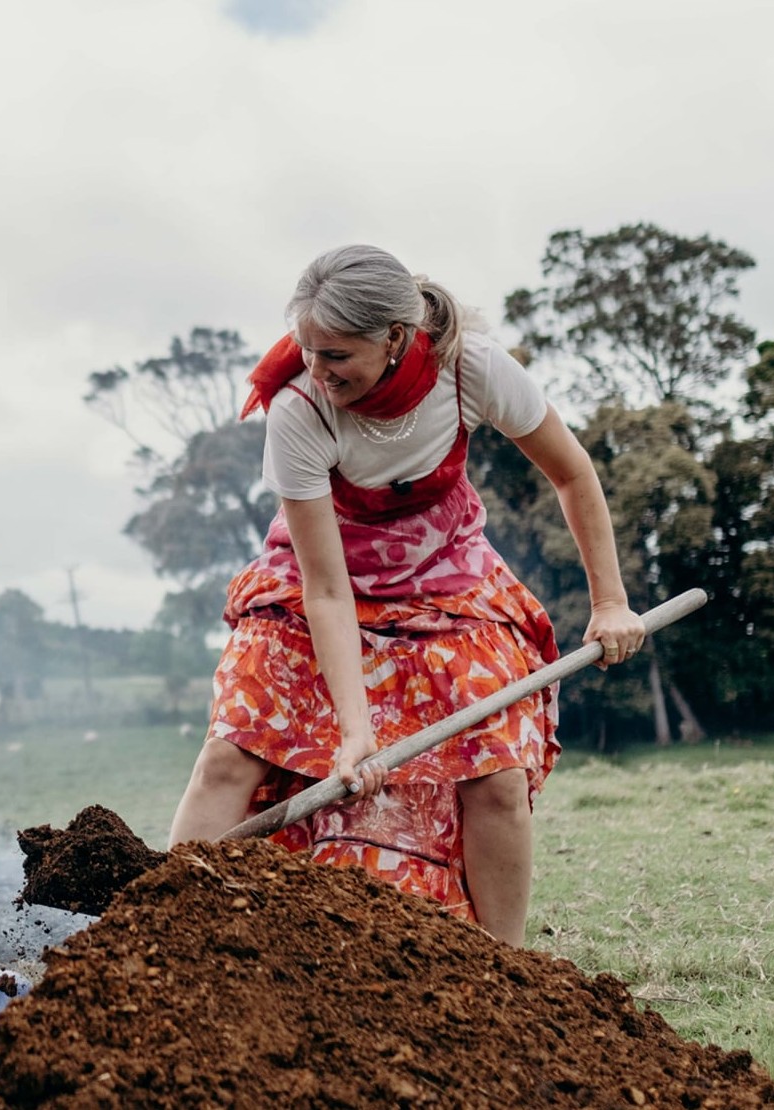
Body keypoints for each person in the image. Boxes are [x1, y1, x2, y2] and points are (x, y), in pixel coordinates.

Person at [167, 245, 646, 946]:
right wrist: (356, 731)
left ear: (395, 338)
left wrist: (610, 602)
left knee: (497, 774)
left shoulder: (472, 369)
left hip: (448, 577)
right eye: (308, 350)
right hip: (321, 580)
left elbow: (572, 475)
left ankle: (505, 974)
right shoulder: (298, 409)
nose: (317, 371)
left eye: (336, 355)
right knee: (234, 748)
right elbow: (327, 591)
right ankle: (163, 942)